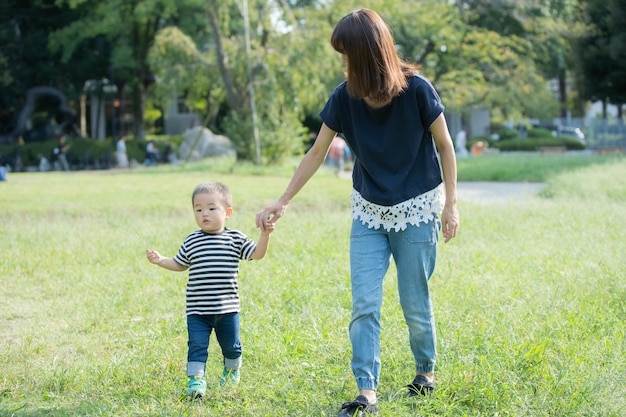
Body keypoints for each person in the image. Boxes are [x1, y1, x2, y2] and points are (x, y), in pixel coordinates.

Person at [255, 9, 459, 416]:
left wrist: (450, 205)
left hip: (417, 210)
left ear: (368, 53)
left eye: (347, 55)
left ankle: (425, 372)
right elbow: (316, 152)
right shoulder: (343, 96)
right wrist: (284, 199)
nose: (343, 63)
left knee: (414, 299)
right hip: (368, 212)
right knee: (364, 303)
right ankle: (366, 389)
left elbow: (445, 146)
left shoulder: (417, 90)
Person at [147, 182, 275, 399]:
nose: (204, 213)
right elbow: (180, 263)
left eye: (211, 208)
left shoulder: (235, 238)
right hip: (197, 310)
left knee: (231, 346)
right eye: (198, 209)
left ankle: (232, 370)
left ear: (228, 213)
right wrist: (161, 261)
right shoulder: (192, 240)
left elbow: (257, 254)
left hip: (227, 309)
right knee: (196, 345)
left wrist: (265, 236)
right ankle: (196, 381)